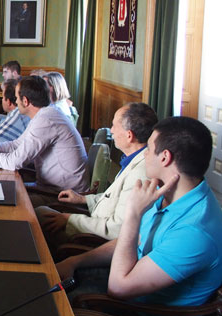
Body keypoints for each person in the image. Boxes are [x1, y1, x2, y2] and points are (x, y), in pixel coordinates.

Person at [57, 117, 222, 316]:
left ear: (165, 157)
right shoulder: (169, 192)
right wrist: (75, 261)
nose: (144, 153)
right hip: (131, 289)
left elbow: (119, 288)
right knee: (49, 275)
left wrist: (133, 213)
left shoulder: (195, 231)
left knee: (49, 311)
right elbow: (132, 242)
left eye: (149, 149)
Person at [37, 103, 158, 250]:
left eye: (114, 126)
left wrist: (70, 220)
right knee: (40, 212)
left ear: (129, 135)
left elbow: (117, 229)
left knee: (38, 216)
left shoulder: (140, 174)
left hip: (95, 240)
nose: (111, 131)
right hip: (94, 222)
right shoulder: (134, 159)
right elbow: (114, 199)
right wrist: (82, 199)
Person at [0, 75, 89, 194]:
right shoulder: (46, 114)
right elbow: (16, 145)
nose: (16, 101)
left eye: (17, 98)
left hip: (63, 195)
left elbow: (15, 162)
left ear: (25, 101)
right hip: (51, 188)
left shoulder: (47, 120)